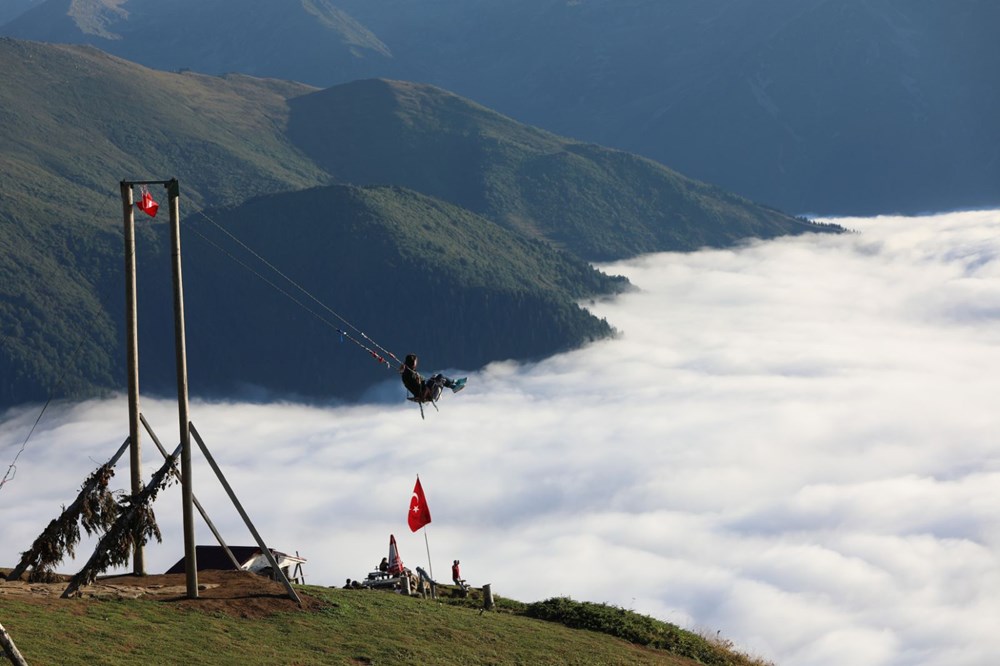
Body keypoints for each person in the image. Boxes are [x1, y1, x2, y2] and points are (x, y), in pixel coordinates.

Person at [399, 353, 465, 403]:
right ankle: (454, 386)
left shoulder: (407, 372)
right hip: (425, 393)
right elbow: (418, 386)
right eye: (416, 362)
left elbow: (413, 382)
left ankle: (455, 383)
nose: (417, 363)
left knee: (436, 376)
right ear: (413, 363)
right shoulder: (410, 374)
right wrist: (421, 380)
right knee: (440, 377)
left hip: (422, 390)